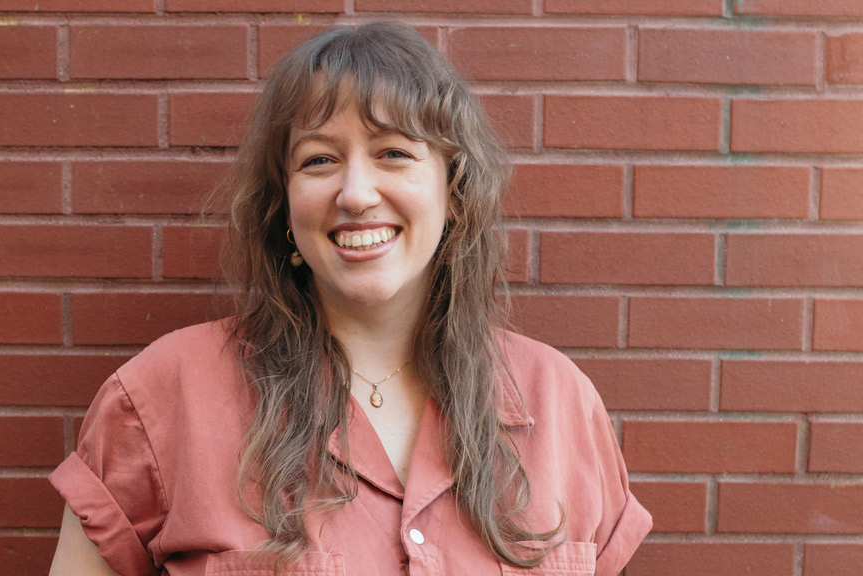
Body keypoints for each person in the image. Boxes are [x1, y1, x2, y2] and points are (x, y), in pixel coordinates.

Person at [48, 21, 651, 576]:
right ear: (284, 202)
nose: (356, 193)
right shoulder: (161, 397)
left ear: (454, 189)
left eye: (394, 152)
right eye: (319, 160)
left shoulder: (560, 401)